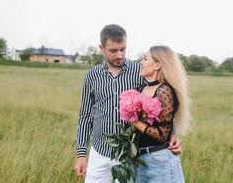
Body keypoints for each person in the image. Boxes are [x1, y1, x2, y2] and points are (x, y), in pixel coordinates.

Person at [74, 24, 182, 183]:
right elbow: (85, 115)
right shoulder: (92, 76)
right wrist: (81, 154)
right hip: (99, 150)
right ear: (101, 48)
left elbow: (162, 105)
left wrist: (172, 134)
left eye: (123, 49)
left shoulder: (140, 72)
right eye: (113, 50)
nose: (119, 55)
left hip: (129, 152)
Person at [130, 45, 191, 183]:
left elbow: (163, 134)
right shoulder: (141, 89)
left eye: (145, 59)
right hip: (140, 161)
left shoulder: (164, 91)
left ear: (157, 65)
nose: (141, 62)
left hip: (159, 160)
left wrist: (134, 121)